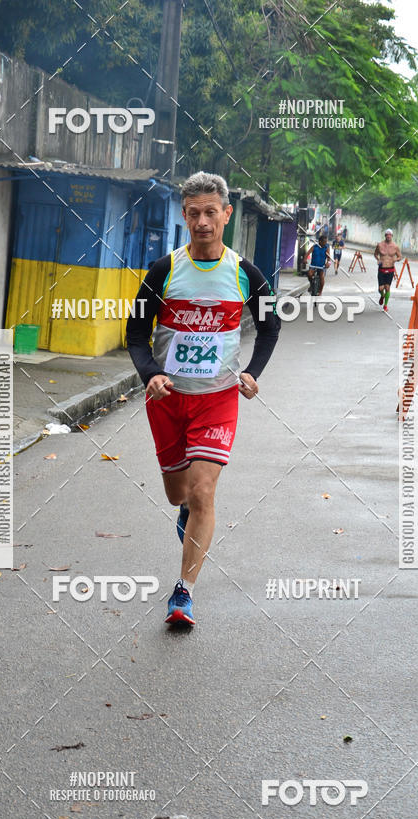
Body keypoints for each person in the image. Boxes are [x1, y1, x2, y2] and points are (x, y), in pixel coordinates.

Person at [126, 171, 280, 627]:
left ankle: (183, 593)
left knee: (203, 490)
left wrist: (251, 373)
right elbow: (135, 332)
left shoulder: (246, 274)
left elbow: (270, 327)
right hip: (168, 399)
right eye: (194, 214)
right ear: (184, 215)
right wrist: (151, 374)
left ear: (227, 214)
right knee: (179, 492)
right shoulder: (164, 270)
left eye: (211, 212)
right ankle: (185, 510)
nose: (202, 222)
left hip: (217, 399)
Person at [374, 228, 401, 310]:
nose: (388, 236)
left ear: (392, 236)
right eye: (387, 235)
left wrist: (396, 259)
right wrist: (378, 259)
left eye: (390, 235)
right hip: (382, 269)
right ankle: (382, 295)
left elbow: (400, 257)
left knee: (387, 287)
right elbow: (375, 254)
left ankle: (385, 305)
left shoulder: (395, 246)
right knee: (381, 288)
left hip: (390, 269)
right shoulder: (380, 245)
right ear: (385, 236)